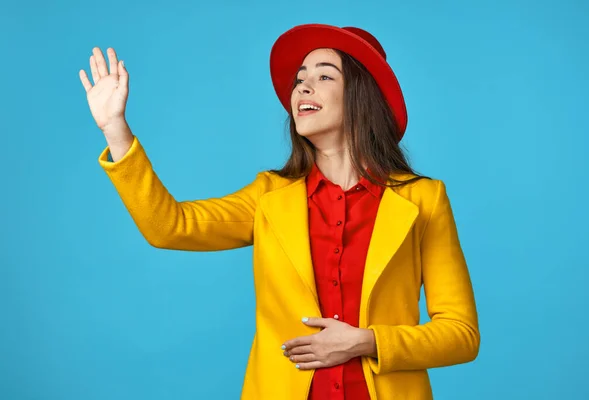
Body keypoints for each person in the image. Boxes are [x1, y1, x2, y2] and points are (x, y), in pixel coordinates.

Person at [79, 24, 479, 400]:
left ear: (361, 95)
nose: (303, 84)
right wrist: (116, 129)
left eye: (324, 76)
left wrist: (367, 341)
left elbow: (461, 334)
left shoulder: (423, 200)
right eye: (300, 78)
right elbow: (169, 226)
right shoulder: (269, 196)